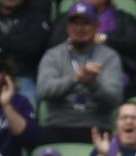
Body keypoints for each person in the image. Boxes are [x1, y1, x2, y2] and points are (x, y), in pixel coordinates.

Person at [37, 0, 124, 144]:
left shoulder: (109, 56)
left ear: (97, 26)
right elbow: (44, 90)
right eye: (74, 23)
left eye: (86, 23)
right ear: (67, 27)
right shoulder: (53, 55)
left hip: (97, 125)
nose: (79, 28)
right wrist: (74, 79)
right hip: (59, 124)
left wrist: (93, 84)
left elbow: (115, 98)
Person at [48, 0, 136, 99]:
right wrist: (79, 39)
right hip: (70, 73)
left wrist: (105, 39)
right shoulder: (65, 18)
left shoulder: (123, 19)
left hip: (116, 74)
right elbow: (52, 44)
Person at [0, 0, 51, 104]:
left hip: (21, 75)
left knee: (27, 100)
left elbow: (32, 47)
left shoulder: (36, 12)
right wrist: (14, 40)